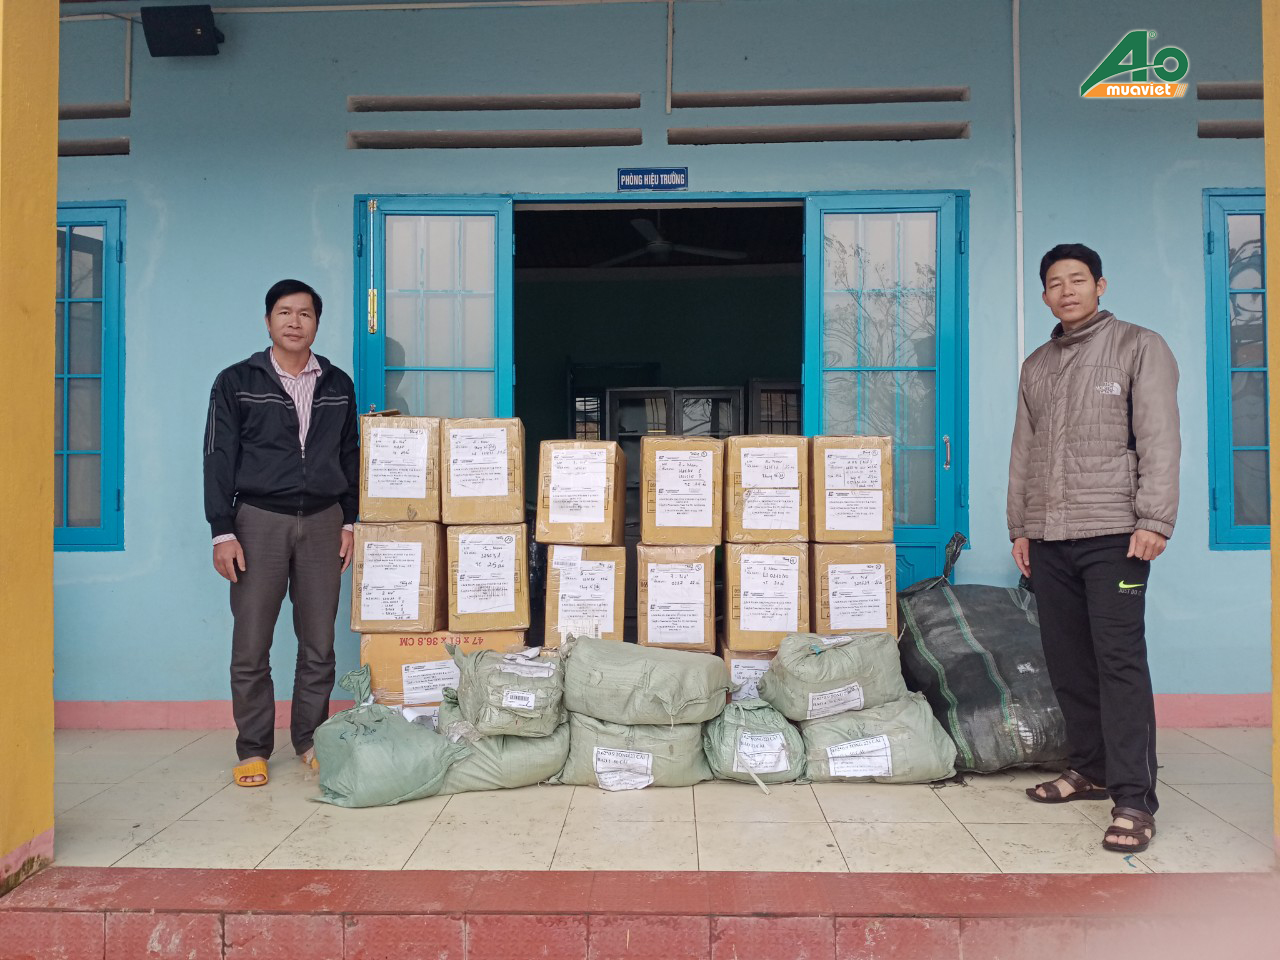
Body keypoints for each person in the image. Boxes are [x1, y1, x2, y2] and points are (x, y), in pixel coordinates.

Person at [1007, 244, 1180, 853]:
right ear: (1044, 295)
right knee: (1068, 661)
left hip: (1116, 535)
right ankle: (1091, 768)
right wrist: (1020, 527)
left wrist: (1155, 519)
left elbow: (1159, 437)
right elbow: (1024, 450)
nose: (1067, 290)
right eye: (1055, 283)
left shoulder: (1139, 346)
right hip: (1050, 537)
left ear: (1100, 285)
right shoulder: (1036, 364)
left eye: (1077, 279)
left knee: (1119, 662)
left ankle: (1134, 798)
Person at [203, 279, 358, 787]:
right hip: (257, 522)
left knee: (319, 643)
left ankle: (310, 739)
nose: (295, 322)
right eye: (285, 312)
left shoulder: (337, 383)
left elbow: (349, 455)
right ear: (268, 321)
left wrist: (349, 520)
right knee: (252, 643)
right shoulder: (236, 381)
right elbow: (218, 456)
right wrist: (222, 531)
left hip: (323, 521)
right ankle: (253, 747)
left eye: (305, 313)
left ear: (317, 323)